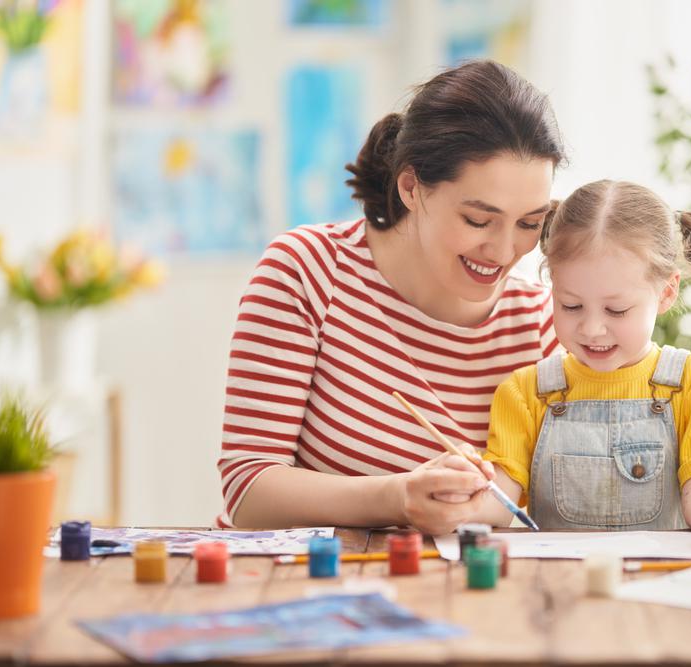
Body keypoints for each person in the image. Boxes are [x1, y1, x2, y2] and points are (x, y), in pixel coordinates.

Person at [217, 60, 562, 534]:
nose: (505, 252)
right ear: (411, 188)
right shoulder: (309, 272)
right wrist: (397, 497)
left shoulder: (543, 323)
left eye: (529, 224)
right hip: (295, 584)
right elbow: (248, 490)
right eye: (478, 221)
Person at [465, 180, 691, 549]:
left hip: (658, 589)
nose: (591, 328)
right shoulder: (526, 393)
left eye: (616, 310)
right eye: (570, 305)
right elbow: (499, 502)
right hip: (558, 591)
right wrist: (462, 497)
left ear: (667, 291)